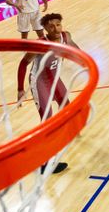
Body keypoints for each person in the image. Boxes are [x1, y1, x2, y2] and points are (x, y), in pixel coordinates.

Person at [16, 13, 79, 174]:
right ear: (44, 29)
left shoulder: (66, 36)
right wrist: (20, 89)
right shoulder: (40, 44)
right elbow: (23, 64)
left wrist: (85, 61)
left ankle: (67, 132)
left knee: (67, 107)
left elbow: (75, 48)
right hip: (39, 83)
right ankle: (45, 162)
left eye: (58, 24)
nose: (55, 28)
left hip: (54, 78)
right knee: (47, 120)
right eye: (51, 26)